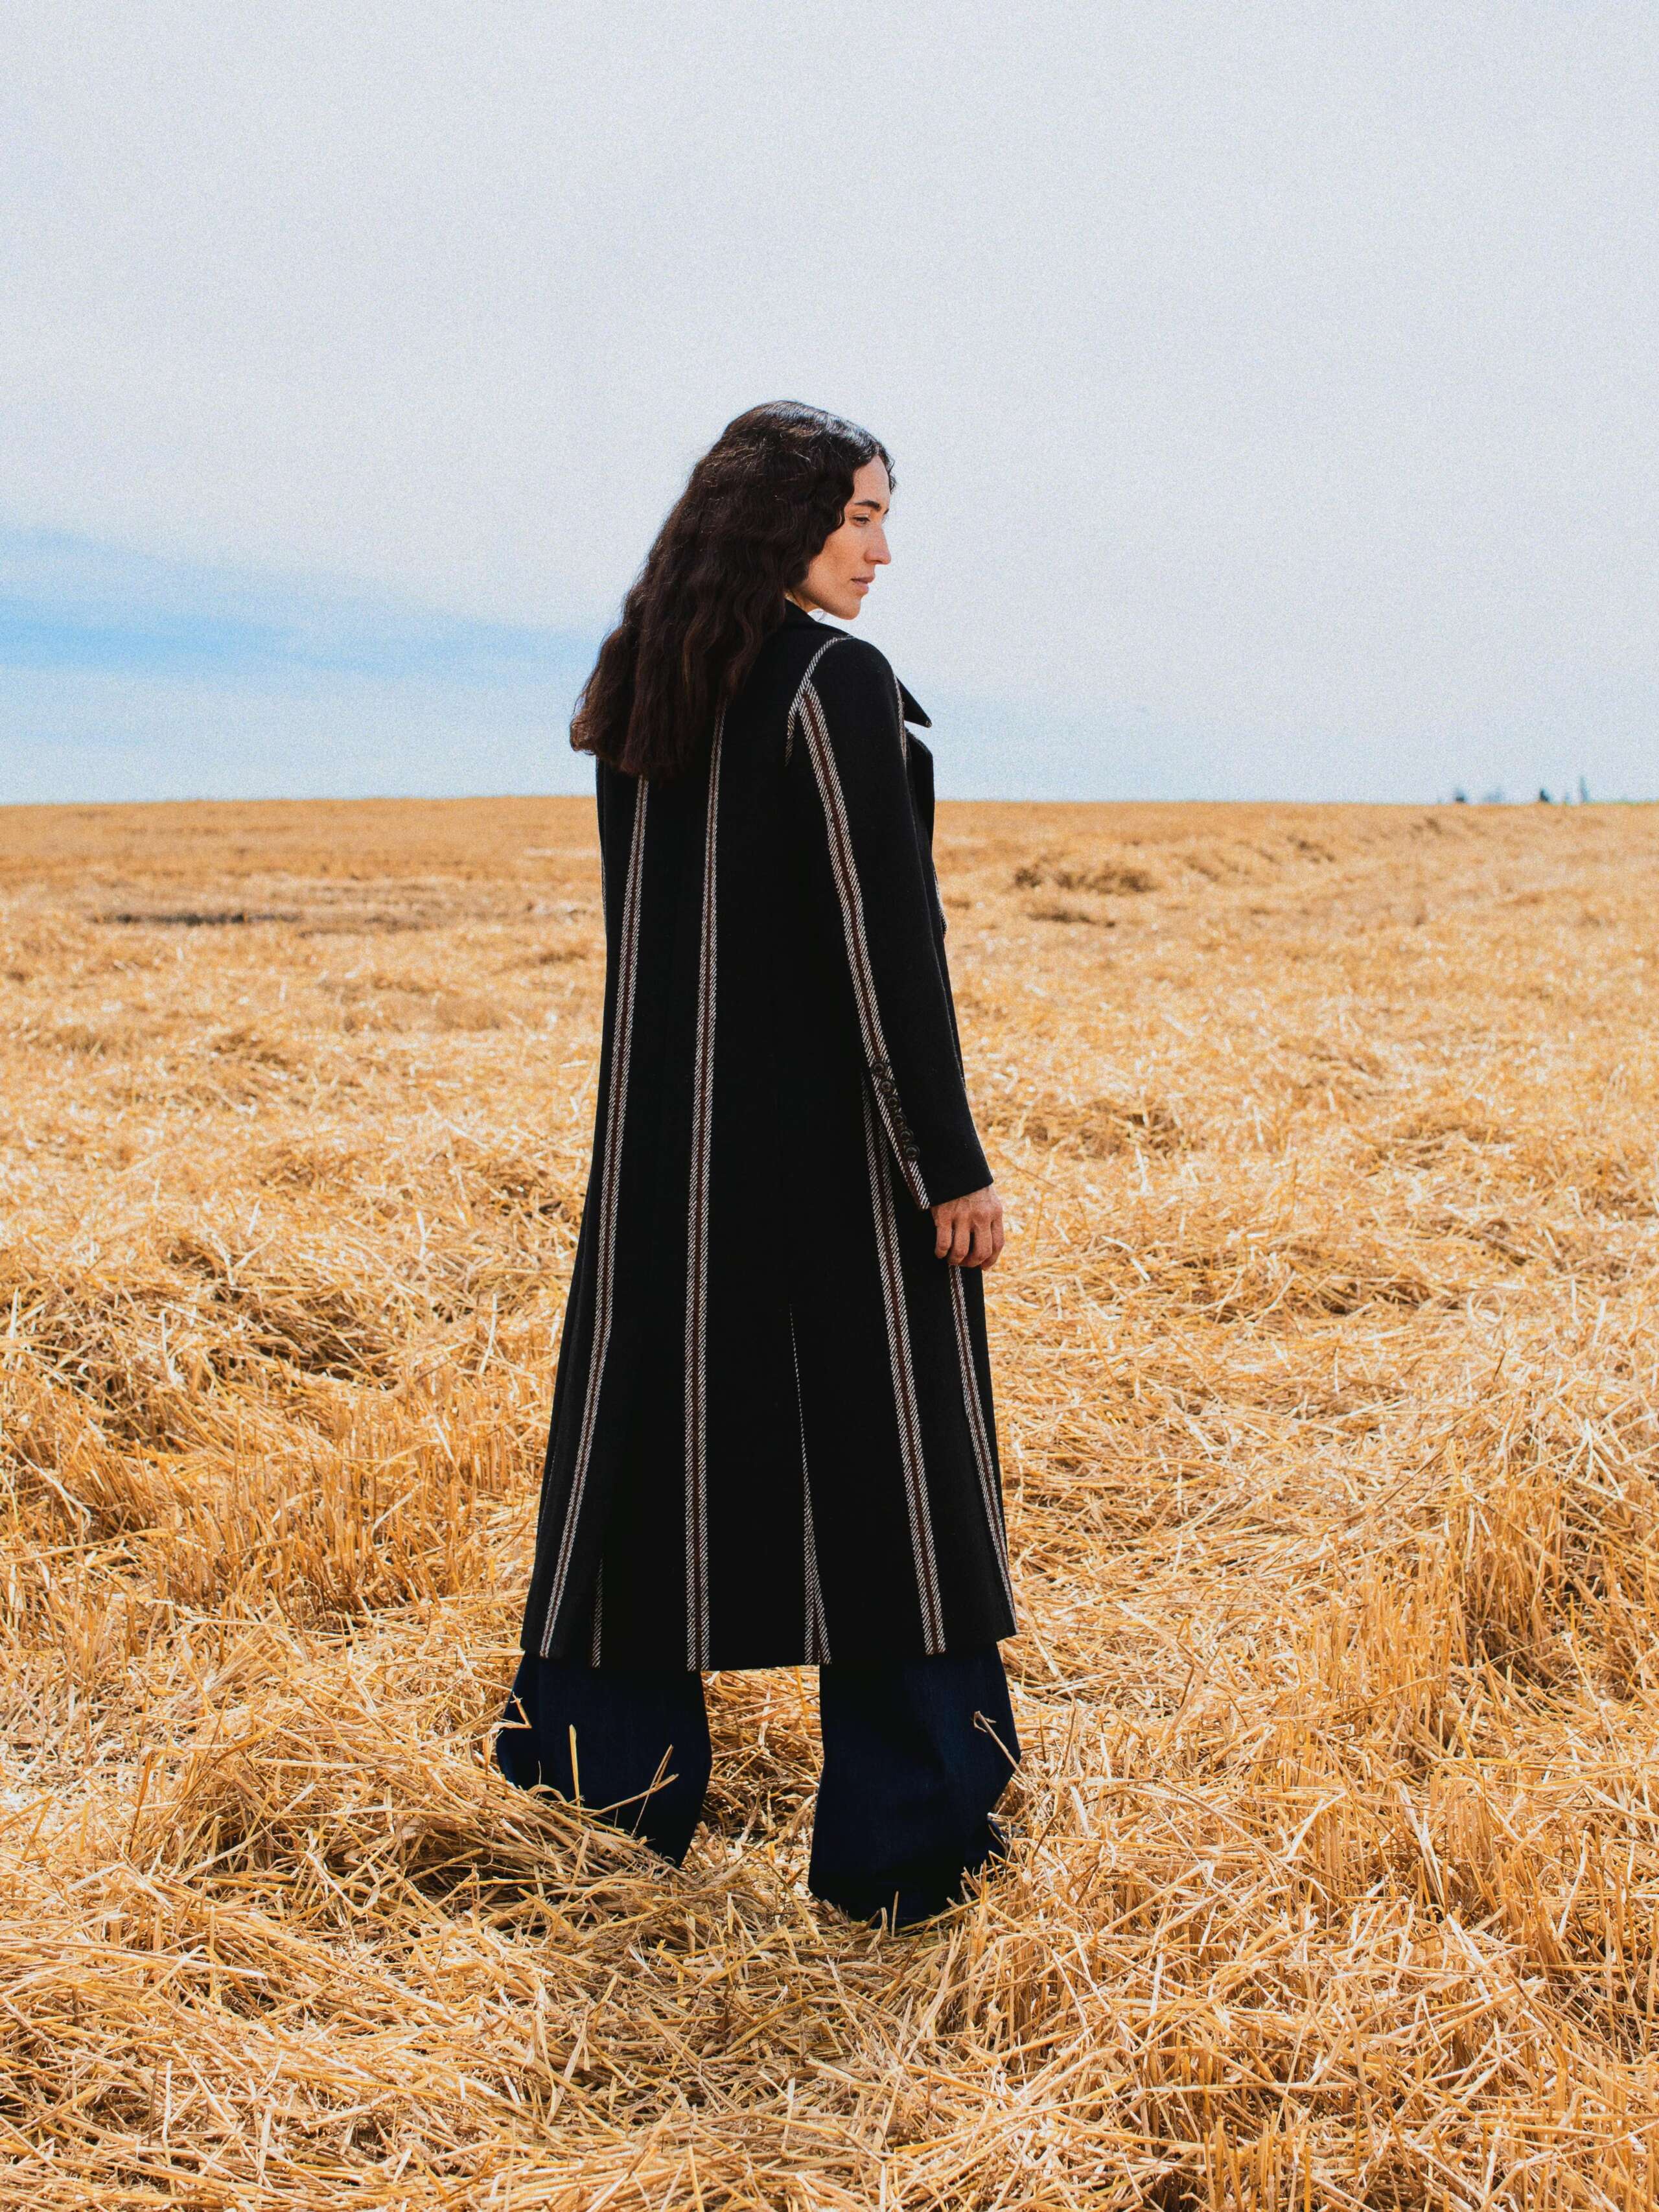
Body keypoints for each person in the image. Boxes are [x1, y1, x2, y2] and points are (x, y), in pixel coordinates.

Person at [498, 402, 1018, 1926]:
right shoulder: (830, 681)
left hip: (664, 1168)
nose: (879, 547)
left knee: (642, 1475)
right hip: (834, 1173)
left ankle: (594, 1825)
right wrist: (951, 1166)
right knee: (897, 1480)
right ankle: (904, 1850)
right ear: (777, 521)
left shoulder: (650, 681)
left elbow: (642, 950)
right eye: (856, 514)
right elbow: (886, 955)